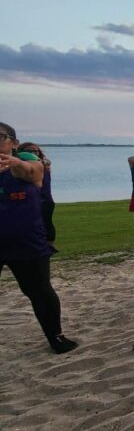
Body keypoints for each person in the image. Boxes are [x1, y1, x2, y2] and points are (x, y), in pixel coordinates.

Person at [0, 122, 78, 353]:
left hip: (25, 239)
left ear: (13, 143)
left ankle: (56, 337)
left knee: (38, 290)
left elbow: (32, 172)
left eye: (0, 137)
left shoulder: (27, 163)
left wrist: (14, 162)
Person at [16, 142, 55, 244]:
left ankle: (49, 245)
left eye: (35, 151)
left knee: (46, 223)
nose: (32, 153)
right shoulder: (18, 168)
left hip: (44, 200)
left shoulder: (43, 166)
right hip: (28, 201)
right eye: (29, 151)